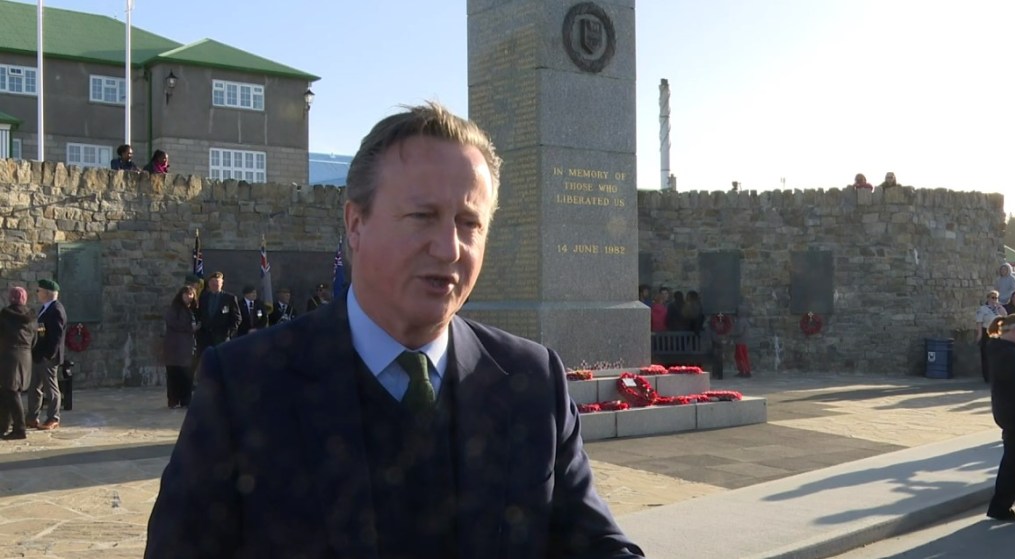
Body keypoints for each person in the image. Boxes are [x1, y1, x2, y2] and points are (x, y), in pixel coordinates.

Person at [145, 102, 644, 558]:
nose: (449, 249)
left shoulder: (532, 381)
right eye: (423, 216)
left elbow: (594, 544)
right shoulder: (245, 386)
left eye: (469, 223)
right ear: (356, 224)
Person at [984, 314, 1015, 522]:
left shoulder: (1003, 350)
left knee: (1014, 465)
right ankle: (999, 508)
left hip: (1011, 415)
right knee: (1014, 465)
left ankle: (999, 508)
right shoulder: (1010, 356)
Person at [26, 279, 66, 431]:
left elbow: (56, 336)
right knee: (34, 387)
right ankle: (32, 417)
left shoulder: (56, 309)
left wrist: (49, 355)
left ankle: (53, 418)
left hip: (47, 357)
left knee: (51, 388)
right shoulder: (45, 308)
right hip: (38, 354)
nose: (37, 293)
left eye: (39, 290)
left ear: (47, 293)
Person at [0, 287, 36, 440]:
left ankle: (19, 428)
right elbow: (35, 340)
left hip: (9, 356)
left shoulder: (5, 316)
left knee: (12, 393)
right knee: (7, 393)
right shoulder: (32, 318)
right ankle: (2, 426)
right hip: (25, 356)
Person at [163, 286, 199, 409]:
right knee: (174, 374)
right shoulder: (174, 309)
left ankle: (185, 399)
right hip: (175, 347)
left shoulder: (193, 310)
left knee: (187, 375)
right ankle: (174, 399)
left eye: (191, 295)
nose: (188, 297)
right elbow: (173, 323)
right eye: (186, 294)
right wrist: (191, 328)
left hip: (188, 348)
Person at [195, 271, 241, 357]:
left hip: (222, 338)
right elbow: (199, 314)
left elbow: (237, 318)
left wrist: (229, 333)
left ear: (222, 283)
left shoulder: (229, 298)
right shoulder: (203, 297)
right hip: (206, 339)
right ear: (209, 283)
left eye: (217, 282)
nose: (215, 284)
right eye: (212, 282)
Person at [976, 290, 1008, 383]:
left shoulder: (998, 308)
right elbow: (979, 322)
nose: (994, 299)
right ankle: (987, 376)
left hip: (998, 333)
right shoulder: (983, 309)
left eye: (996, 298)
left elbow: (1005, 316)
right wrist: (979, 334)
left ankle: (996, 375)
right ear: (988, 298)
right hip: (986, 332)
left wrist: (1000, 308)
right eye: (992, 297)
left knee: (998, 355)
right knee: (986, 355)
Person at [732, 303, 752, 378]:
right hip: (742, 342)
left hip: (740, 342)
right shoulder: (744, 320)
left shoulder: (741, 321)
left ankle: (744, 371)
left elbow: (739, 332)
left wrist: (732, 334)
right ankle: (744, 371)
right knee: (742, 357)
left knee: (741, 357)